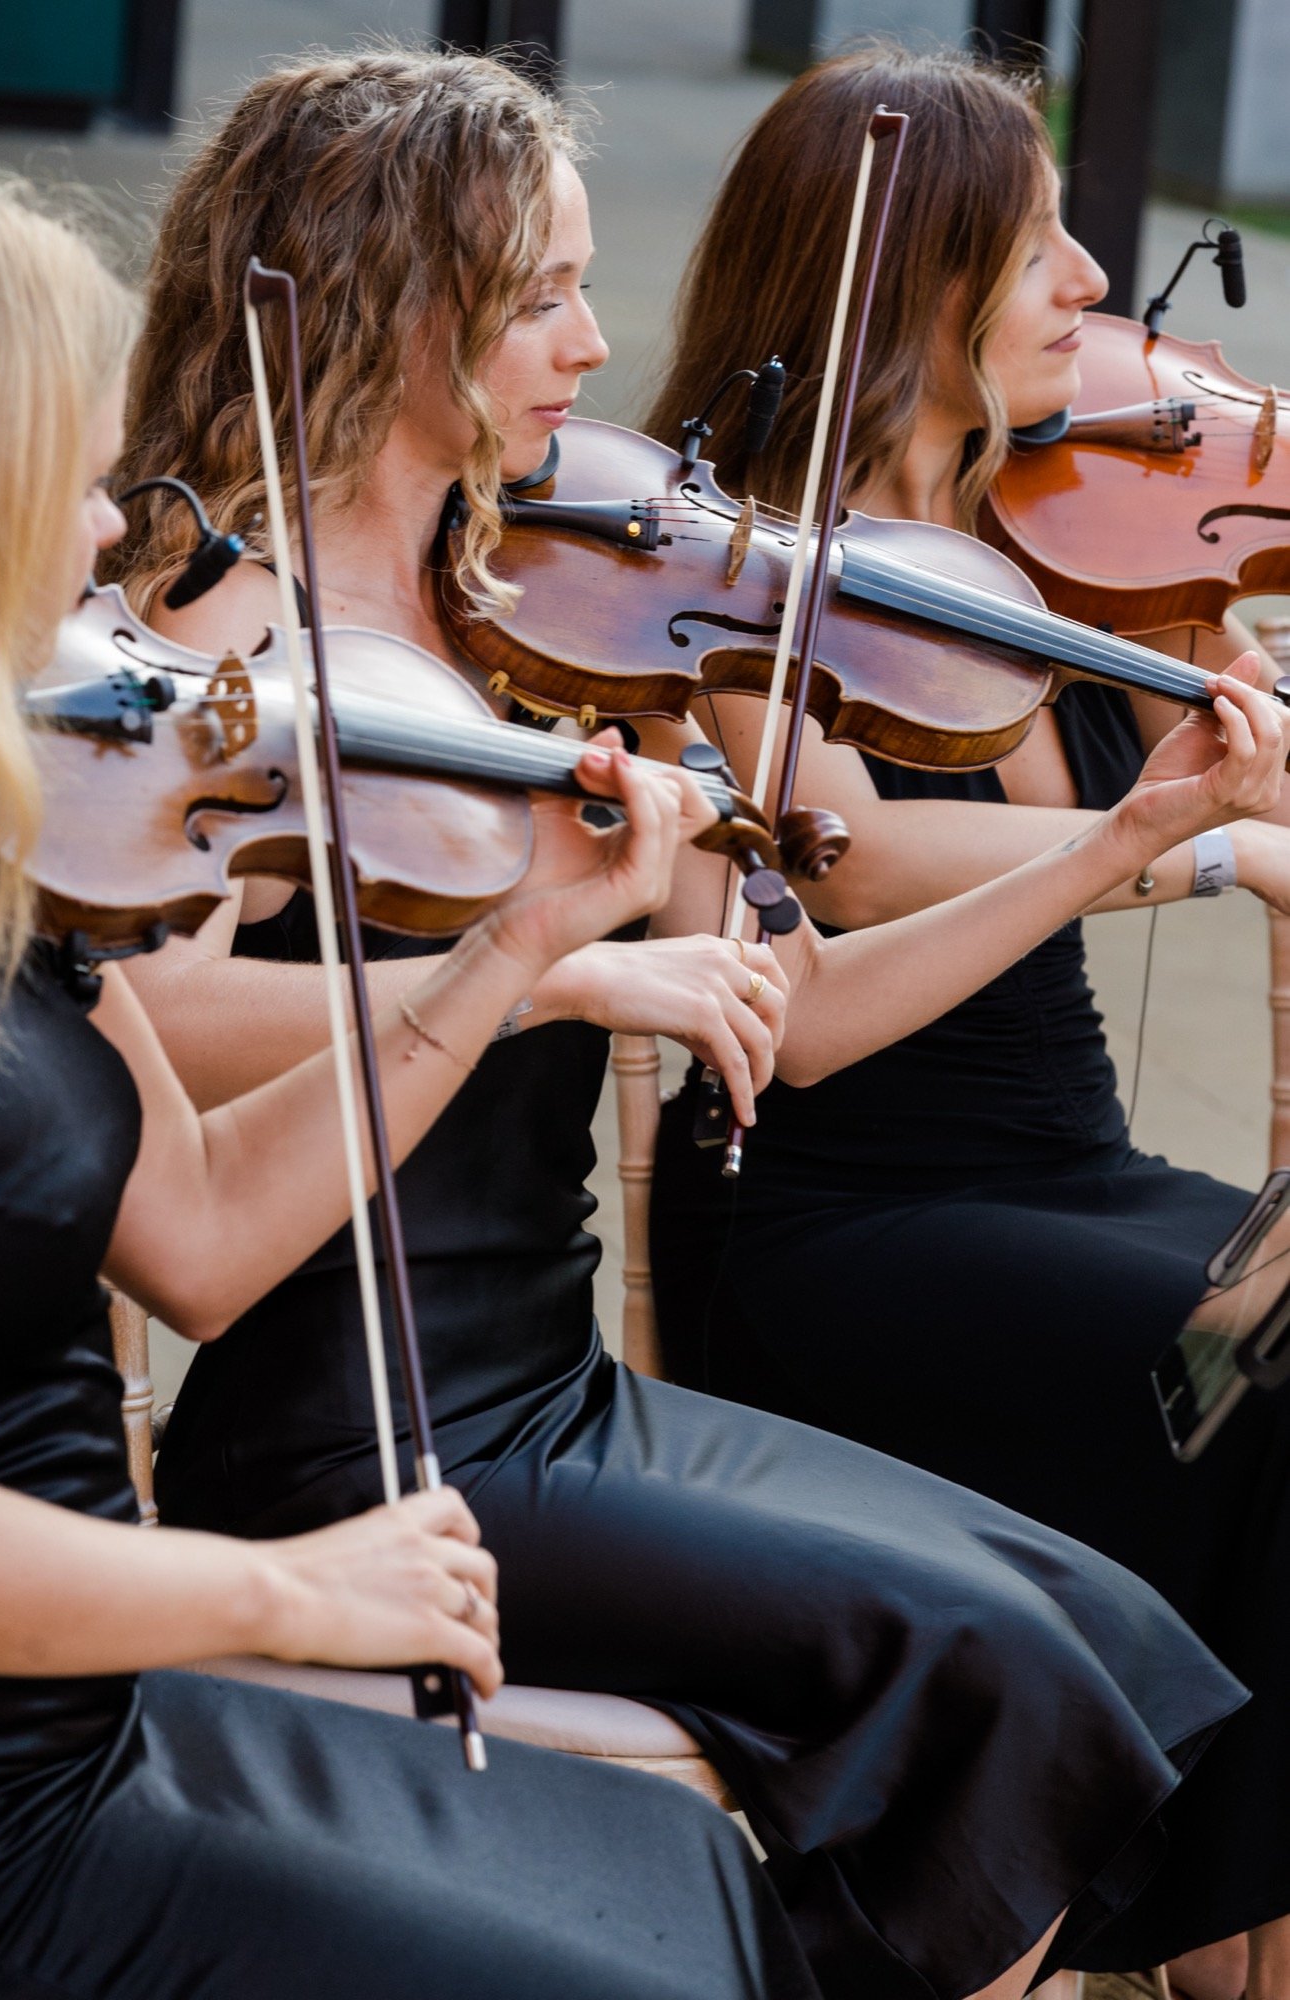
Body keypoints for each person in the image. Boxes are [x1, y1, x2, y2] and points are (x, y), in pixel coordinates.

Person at [110, 47, 1290, 2000]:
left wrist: (1128, 839)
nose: (598, 340)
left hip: (553, 1384)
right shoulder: (230, 643)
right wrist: (531, 973)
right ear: (398, 306)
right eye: (542, 294)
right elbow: (146, 1010)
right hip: (363, 1435)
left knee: (1088, 1646)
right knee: (989, 1700)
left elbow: (801, 1011)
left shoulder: (533, 608)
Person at [0, 166, 827, 2000]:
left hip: (95, 1732)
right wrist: (290, 1593)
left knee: (684, 1879)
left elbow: (192, 1236)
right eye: (85, 483)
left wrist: (517, 953)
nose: (120, 537)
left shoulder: (12, 852)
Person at [643, 45, 1290, 2000]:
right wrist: (1160, 838)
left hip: (1061, 1166)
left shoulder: (1079, 535)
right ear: (913, 282)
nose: (1101, 284)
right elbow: (827, 857)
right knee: (1266, 1378)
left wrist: (1231, 712)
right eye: (1038, 251)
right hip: (839, 1218)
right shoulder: (726, 566)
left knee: (1281, 1328)